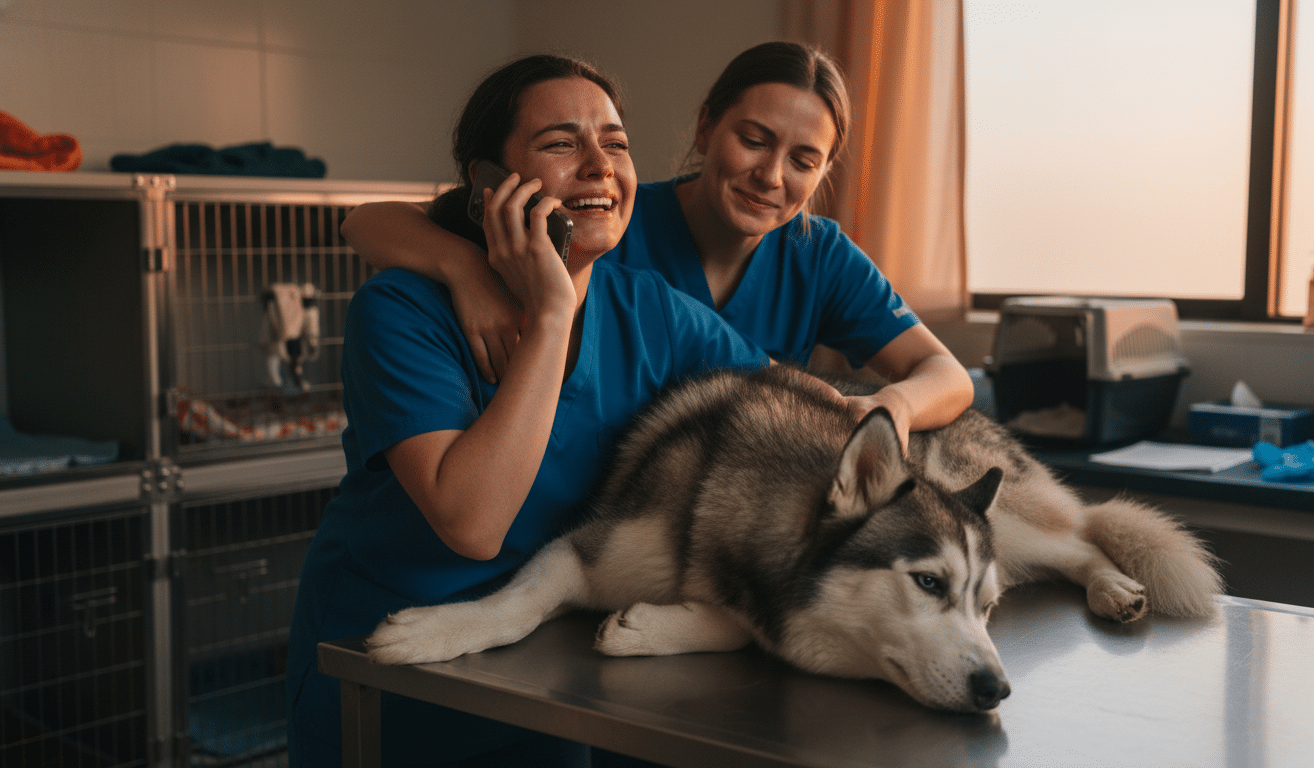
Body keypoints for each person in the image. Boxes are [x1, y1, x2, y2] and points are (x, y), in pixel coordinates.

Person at [286, 55, 771, 767]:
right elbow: (473, 524)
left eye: (616, 142)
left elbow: (784, 406)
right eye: (561, 143)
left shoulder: (652, 311)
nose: (601, 165)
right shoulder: (399, 311)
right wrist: (549, 314)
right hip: (393, 671)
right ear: (489, 186)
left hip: (552, 675)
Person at [341, 41, 974, 453]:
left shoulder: (818, 254)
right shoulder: (605, 221)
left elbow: (946, 376)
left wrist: (886, 409)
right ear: (705, 126)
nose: (772, 175)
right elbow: (367, 222)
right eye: (754, 140)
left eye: (803, 160)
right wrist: (462, 268)